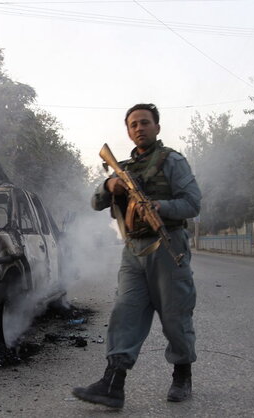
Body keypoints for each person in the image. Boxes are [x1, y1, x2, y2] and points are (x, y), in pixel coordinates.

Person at [72, 103, 201, 409]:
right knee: (125, 313)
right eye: (133, 125)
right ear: (128, 132)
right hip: (133, 250)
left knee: (174, 315)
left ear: (157, 127)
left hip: (168, 245)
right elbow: (95, 203)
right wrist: (109, 184)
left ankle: (182, 375)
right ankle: (112, 385)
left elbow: (192, 203)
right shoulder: (124, 170)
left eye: (145, 122)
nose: (139, 128)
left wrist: (160, 207)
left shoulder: (173, 161)